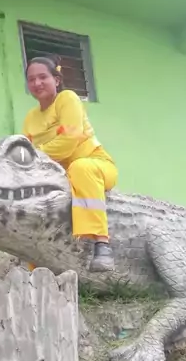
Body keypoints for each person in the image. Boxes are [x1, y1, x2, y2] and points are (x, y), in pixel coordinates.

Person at [22, 56, 118, 271]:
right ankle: (36, 262)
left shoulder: (67, 98)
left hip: (95, 164)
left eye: (43, 77)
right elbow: (26, 151)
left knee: (80, 167)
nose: (37, 83)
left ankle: (102, 243)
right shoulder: (30, 117)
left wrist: (36, 156)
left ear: (56, 80)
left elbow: (68, 141)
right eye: (31, 79)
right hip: (58, 174)